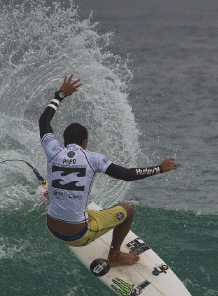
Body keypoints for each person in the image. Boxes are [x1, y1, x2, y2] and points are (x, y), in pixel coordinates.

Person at [39, 75, 177, 266]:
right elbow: (127, 175)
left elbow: (44, 122)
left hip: (52, 229)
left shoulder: (53, 150)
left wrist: (60, 94)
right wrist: (159, 168)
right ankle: (114, 256)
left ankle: (49, 197)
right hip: (77, 236)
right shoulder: (93, 158)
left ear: (64, 142)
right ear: (85, 143)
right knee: (128, 210)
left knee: (59, 189)